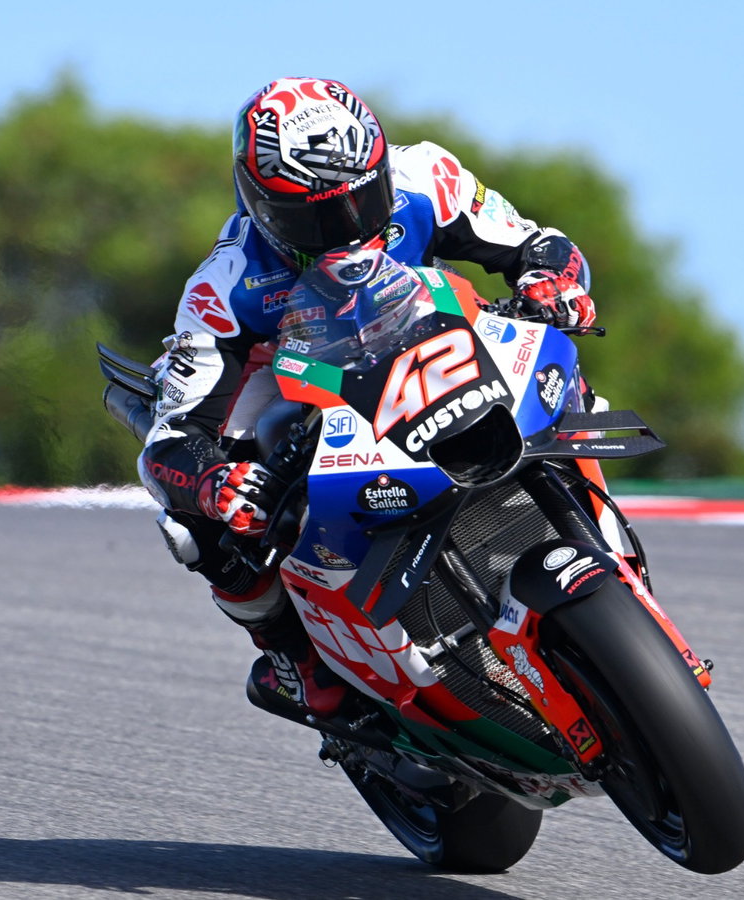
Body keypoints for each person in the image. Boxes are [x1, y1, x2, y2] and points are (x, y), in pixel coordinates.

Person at [138, 76, 598, 718]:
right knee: (194, 528)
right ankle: (294, 661)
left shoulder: (427, 174)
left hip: (433, 332)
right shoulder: (226, 283)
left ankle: (596, 531)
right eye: (319, 216)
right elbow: (170, 439)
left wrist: (552, 280)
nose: (350, 227)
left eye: (363, 199)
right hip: (298, 382)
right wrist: (214, 479)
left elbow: (539, 243)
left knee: (557, 368)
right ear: (260, 205)